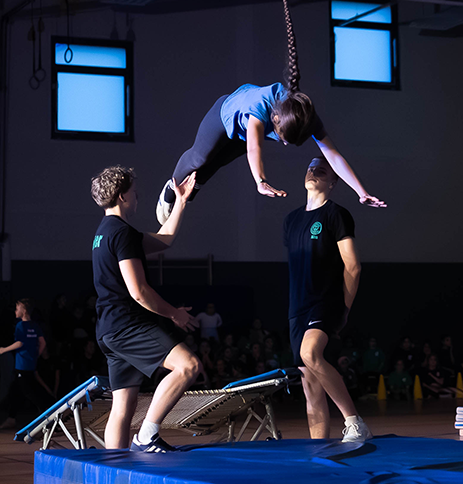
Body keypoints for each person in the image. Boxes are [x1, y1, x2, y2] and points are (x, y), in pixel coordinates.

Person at [153, 1, 385, 225]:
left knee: (217, 163)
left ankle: (188, 195)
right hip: (223, 116)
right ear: (275, 119)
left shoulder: (307, 117)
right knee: (201, 158)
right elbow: (255, 147)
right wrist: (260, 181)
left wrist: (360, 191)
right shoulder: (261, 106)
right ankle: (170, 189)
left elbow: (334, 156)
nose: (283, 145)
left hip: (242, 133)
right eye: (283, 139)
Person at [89, 166, 202, 452]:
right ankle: (147, 436)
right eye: (133, 191)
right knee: (188, 366)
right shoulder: (122, 234)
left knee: (122, 408)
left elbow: (166, 240)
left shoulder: (104, 233)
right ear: (122, 196)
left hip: (108, 331)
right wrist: (174, 313)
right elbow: (138, 292)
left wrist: (181, 201)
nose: (137, 195)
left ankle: (114, 472)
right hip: (128, 325)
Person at [283, 158, 370, 442]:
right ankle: (318, 451)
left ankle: (355, 422)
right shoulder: (291, 220)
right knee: (310, 385)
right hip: (297, 307)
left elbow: (353, 266)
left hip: (327, 301)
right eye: (310, 166)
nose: (314, 169)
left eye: (322, 169)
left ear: (333, 182)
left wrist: (344, 307)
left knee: (311, 353)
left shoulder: (336, 214)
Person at [0, 299, 49, 429]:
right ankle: (11, 418)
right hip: (30, 364)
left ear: (23, 311)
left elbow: (20, 343)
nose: (15, 311)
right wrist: (36, 355)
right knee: (16, 391)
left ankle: (49, 415)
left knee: (30, 392)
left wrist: (4, 349)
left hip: (22, 366)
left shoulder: (20, 326)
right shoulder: (35, 326)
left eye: (17, 308)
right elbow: (42, 343)